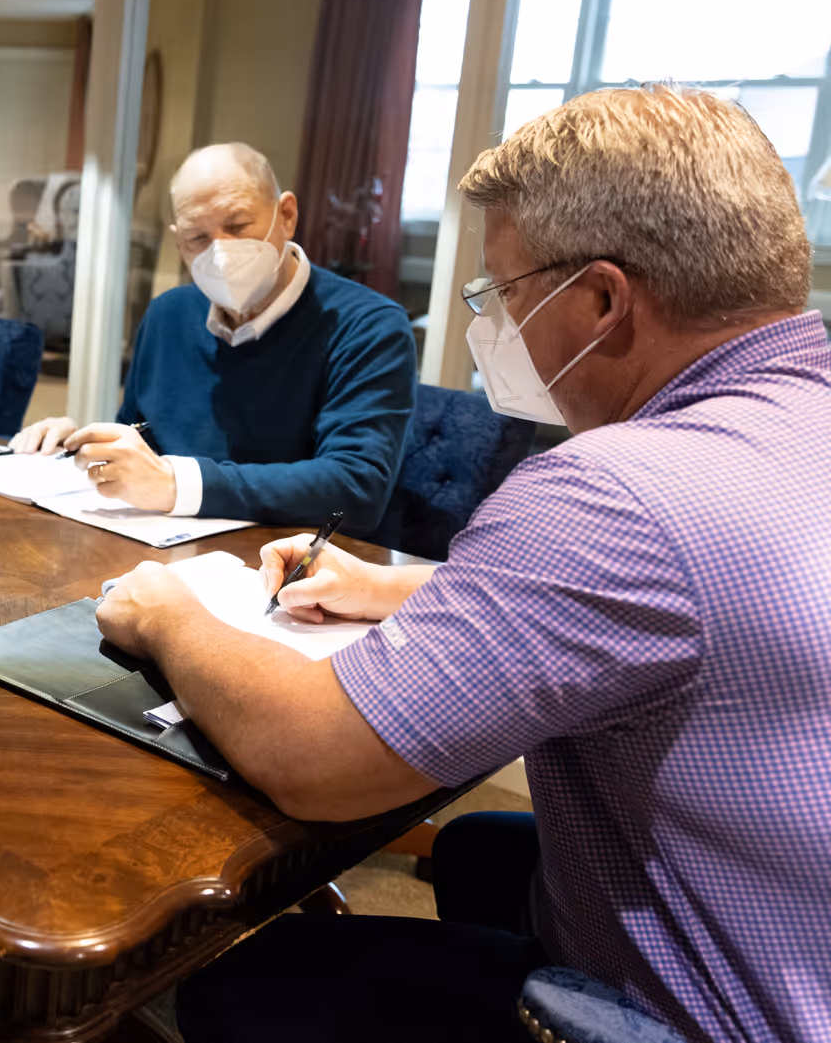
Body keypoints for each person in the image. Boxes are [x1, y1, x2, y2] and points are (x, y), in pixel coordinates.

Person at [95, 86, 831, 1042]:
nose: (496, 328)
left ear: (603, 300)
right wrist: (405, 583)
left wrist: (166, 613)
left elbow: (318, 761)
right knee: (484, 848)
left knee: (250, 982)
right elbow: (698, 596)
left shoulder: (613, 490)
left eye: (505, 292)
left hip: (711, 1016)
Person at [11, 142, 416, 538]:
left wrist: (177, 484)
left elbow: (357, 488)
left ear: (286, 215)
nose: (220, 252)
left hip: (288, 570)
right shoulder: (168, 314)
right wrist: (79, 447)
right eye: (197, 238)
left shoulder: (368, 325)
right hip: (159, 547)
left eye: (238, 226)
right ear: (177, 242)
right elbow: (142, 437)